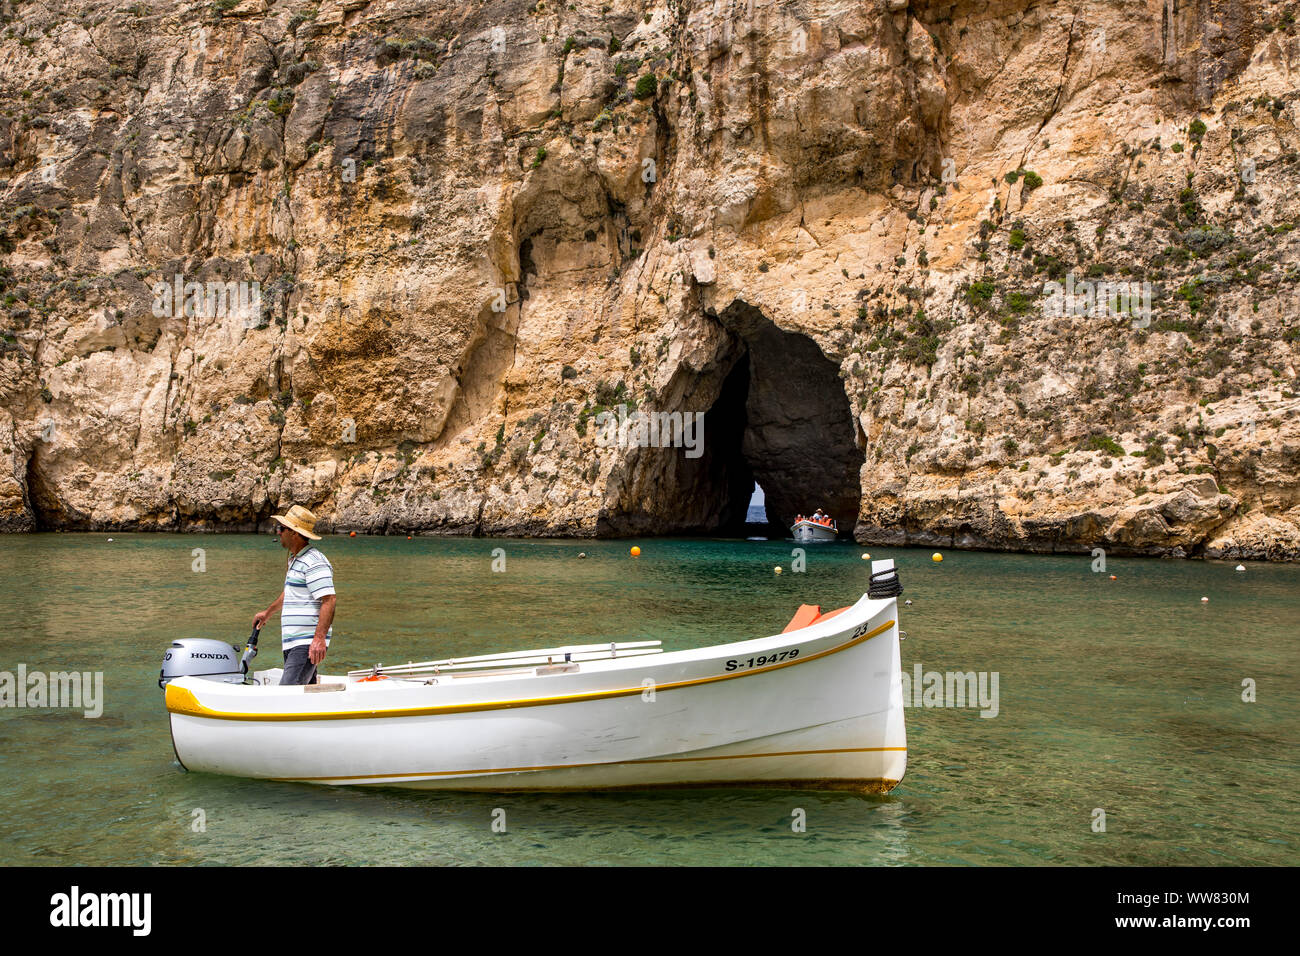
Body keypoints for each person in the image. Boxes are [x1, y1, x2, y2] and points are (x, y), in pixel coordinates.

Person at [252, 505, 336, 686]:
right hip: (294, 641)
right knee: (305, 697)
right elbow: (290, 593)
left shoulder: (314, 561)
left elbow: (329, 599)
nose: (278, 532)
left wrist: (319, 639)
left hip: (305, 643)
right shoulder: (296, 560)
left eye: (282, 528)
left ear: (295, 534)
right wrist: (268, 613)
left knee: (288, 694)